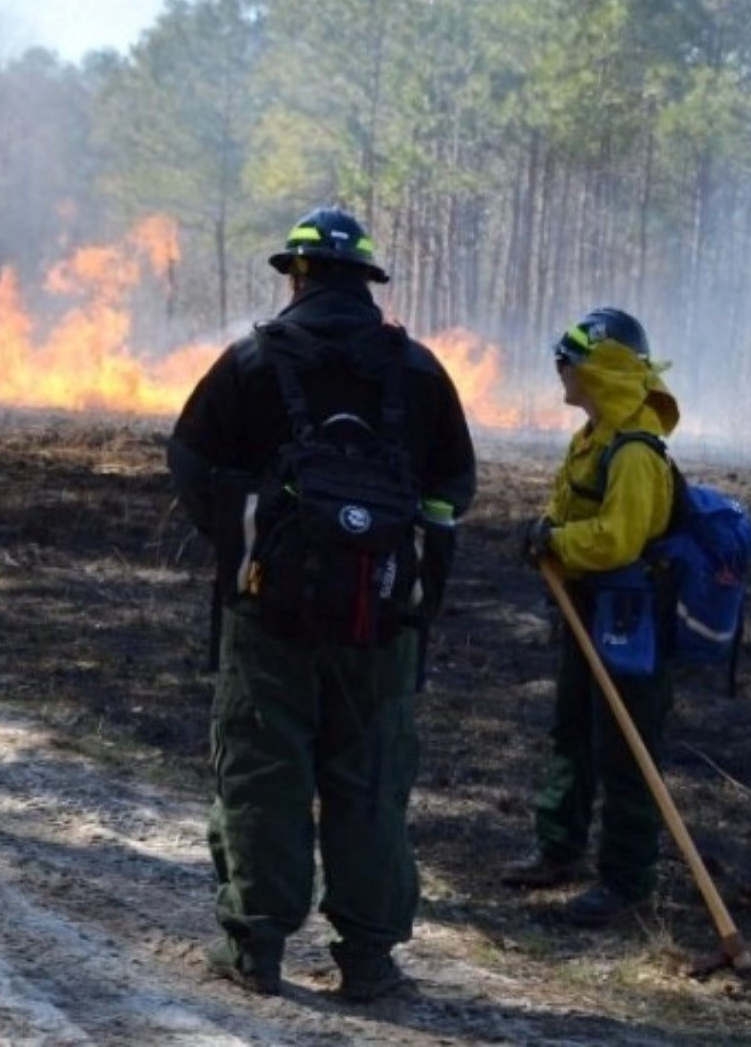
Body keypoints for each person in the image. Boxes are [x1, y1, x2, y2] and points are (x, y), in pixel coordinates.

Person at [168, 207, 476, 1002]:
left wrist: (245, 544)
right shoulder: (419, 371)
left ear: (297, 276)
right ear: (366, 282)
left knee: (263, 769)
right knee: (371, 777)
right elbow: (453, 488)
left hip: (268, 615)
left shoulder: (251, 362)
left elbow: (190, 458)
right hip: (381, 621)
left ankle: (257, 950)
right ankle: (369, 961)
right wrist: (411, 580)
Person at [504, 307, 681, 927]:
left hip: (633, 619)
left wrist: (556, 541)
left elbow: (618, 540)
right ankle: (560, 850)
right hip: (591, 608)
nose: (560, 371)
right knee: (573, 728)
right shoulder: (594, 437)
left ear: (599, 373)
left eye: (569, 362)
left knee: (626, 745)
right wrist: (550, 535)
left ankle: (627, 881)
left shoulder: (634, 452)